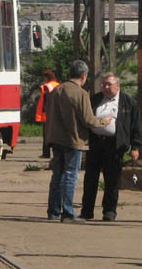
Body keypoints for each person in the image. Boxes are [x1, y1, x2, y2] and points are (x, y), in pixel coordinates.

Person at [44, 59, 111, 221]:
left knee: (57, 175)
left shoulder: (56, 90)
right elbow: (89, 120)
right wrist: (104, 121)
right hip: (74, 140)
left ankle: (53, 211)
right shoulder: (80, 93)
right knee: (70, 176)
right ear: (83, 75)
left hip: (55, 139)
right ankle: (67, 212)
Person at [80, 72, 142, 221]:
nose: (106, 87)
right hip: (95, 144)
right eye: (103, 84)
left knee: (112, 180)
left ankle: (109, 211)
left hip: (115, 146)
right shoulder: (95, 99)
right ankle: (86, 211)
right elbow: (86, 118)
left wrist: (135, 147)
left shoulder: (128, 102)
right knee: (90, 179)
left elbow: (136, 126)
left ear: (118, 85)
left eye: (109, 84)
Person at [35, 69, 60, 159]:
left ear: (47, 77)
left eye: (44, 77)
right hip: (56, 114)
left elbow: (46, 101)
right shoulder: (58, 85)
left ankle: (46, 153)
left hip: (47, 115)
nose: (43, 79)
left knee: (46, 135)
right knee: (55, 134)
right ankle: (55, 153)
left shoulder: (46, 87)